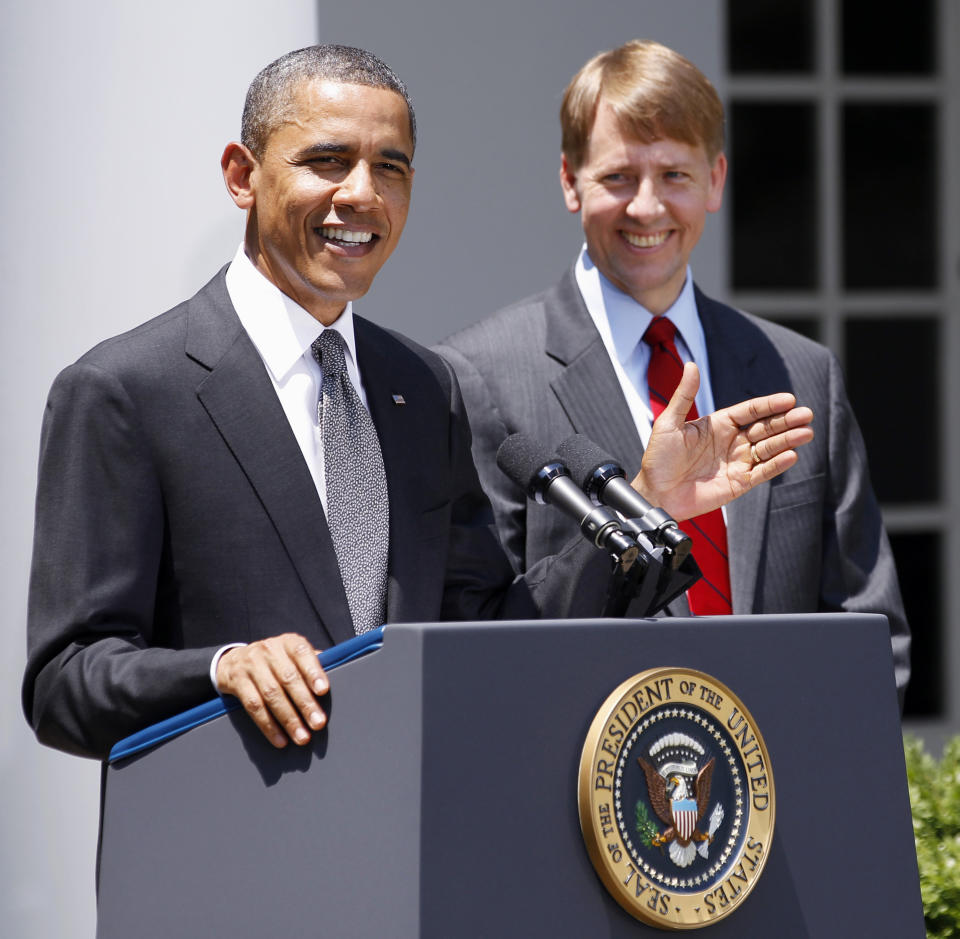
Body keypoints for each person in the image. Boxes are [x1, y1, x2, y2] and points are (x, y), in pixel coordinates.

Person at [23, 44, 814, 763]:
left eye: (390, 167)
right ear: (242, 174)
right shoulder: (126, 390)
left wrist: (649, 503)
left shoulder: (423, 386)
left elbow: (487, 632)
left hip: (410, 874)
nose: (361, 194)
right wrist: (224, 667)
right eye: (327, 161)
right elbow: (67, 680)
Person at [436, 39, 909, 700]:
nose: (648, 207)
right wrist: (645, 501)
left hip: (779, 789)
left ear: (716, 180)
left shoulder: (801, 374)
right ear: (570, 181)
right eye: (619, 176)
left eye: (674, 175)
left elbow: (871, 637)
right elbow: (478, 641)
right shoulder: (477, 376)